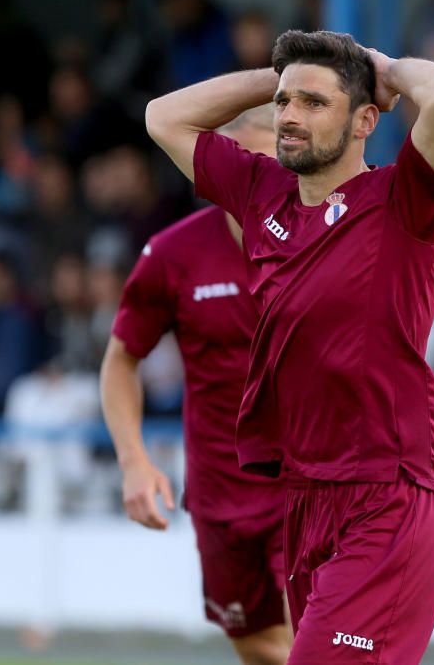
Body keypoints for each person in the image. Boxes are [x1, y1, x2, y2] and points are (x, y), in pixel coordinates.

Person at [145, 30, 434, 663]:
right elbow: (165, 116)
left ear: (364, 121)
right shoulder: (262, 192)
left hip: (386, 497)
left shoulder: (405, 202)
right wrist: (284, 76)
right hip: (302, 498)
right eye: (285, 103)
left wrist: (382, 69)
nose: (290, 116)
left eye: (315, 104)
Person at [101, 104, 291, 665]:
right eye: (248, 162)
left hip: (310, 485)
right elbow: (119, 362)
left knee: (324, 640)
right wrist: (133, 460)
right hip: (220, 492)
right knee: (255, 644)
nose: (263, 178)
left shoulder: (321, 246)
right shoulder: (172, 255)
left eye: (277, 164)